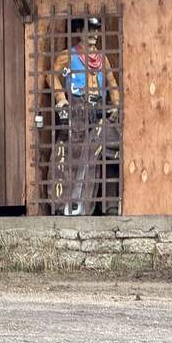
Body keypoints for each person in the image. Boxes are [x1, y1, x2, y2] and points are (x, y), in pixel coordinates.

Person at [46, 17, 120, 215]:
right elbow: (51, 75)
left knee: (98, 152)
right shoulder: (68, 56)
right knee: (74, 153)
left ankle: (98, 205)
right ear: (79, 31)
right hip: (78, 109)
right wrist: (61, 98)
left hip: (99, 108)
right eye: (90, 29)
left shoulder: (102, 58)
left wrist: (116, 105)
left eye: (96, 29)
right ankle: (65, 204)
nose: (94, 34)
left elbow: (112, 82)